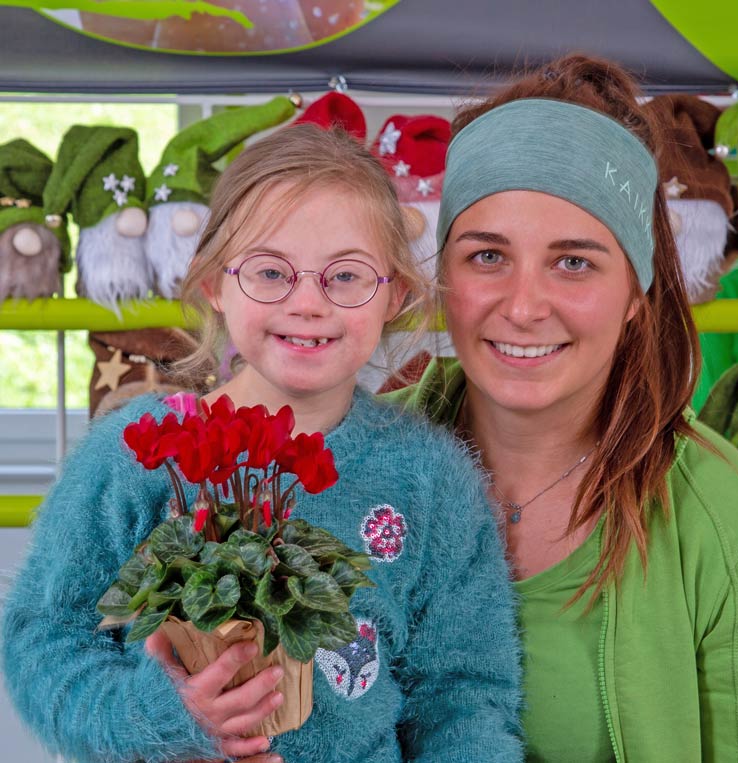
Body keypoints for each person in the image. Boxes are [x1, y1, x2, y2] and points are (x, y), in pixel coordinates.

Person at [1, 125, 522, 763]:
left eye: (347, 276)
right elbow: (43, 640)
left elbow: (464, 697)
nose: (307, 303)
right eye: (271, 271)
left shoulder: (430, 476)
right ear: (214, 284)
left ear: (396, 294)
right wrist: (164, 715)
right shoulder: (136, 451)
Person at [387, 54, 738, 761]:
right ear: (443, 272)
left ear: (637, 295)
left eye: (573, 262)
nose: (522, 306)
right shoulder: (344, 464)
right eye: (487, 256)